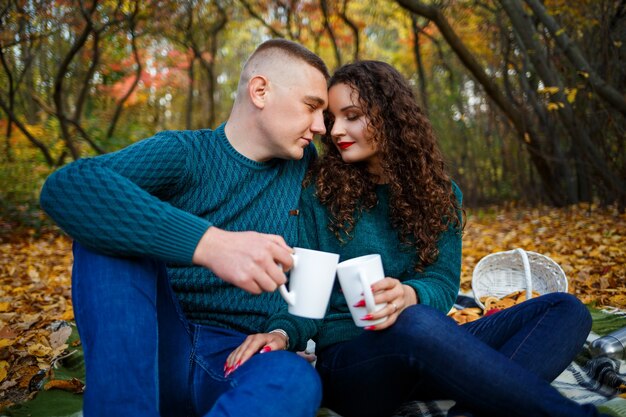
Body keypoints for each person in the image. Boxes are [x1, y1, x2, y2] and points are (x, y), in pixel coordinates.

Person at [232, 60, 608, 417]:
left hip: (428, 353)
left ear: (390, 117)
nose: (334, 132)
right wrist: (282, 333)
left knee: (566, 310)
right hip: (355, 366)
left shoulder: (440, 193)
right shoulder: (322, 190)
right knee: (416, 323)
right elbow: (308, 298)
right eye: (331, 120)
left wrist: (410, 295)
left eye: (352, 116)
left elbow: (443, 282)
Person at [39, 39, 330, 417]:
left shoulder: (306, 168)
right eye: (311, 106)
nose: (321, 126)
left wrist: (283, 333)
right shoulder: (183, 154)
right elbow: (66, 187)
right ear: (260, 91)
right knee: (104, 224)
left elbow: (317, 271)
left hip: (239, 360)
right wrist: (213, 245)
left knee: (296, 380)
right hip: (153, 346)